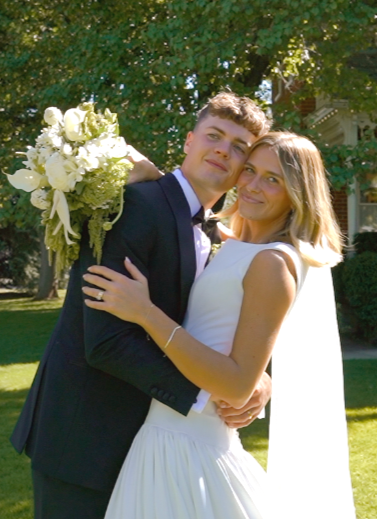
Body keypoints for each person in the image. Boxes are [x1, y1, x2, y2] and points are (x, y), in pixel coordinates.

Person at [10, 92, 272, 519]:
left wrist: (253, 380)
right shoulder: (135, 204)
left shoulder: (219, 235)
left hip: (153, 449)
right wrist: (211, 394)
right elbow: (107, 341)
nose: (224, 149)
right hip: (87, 440)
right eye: (215, 135)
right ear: (189, 141)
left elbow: (216, 321)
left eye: (240, 147)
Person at [82, 132, 356, 519]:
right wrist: (157, 177)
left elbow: (237, 384)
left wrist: (145, 313)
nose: (252, 186)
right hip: (166, 435)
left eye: (272, 179)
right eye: (249, 171)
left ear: (298, 195)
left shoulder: (273, 264)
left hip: (192, 445)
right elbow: (191, 220)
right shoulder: (237, 244)